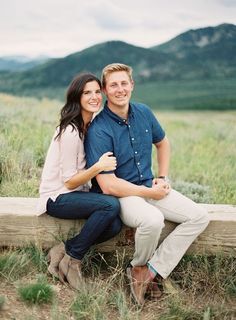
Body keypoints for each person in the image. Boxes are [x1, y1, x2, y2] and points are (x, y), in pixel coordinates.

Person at [85, 63, 210, 306]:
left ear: (132, 85)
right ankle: (138, 265)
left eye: (124, 83)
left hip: (149, 186)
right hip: (122, 195)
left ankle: (152, 270)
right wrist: (148, 191)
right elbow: (109, 185)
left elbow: (162, 143)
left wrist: (162, 178)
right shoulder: (99, 129)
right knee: (152, 220)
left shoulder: (144, 112)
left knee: (199, 217)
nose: (120, 89)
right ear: (104, 90)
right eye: (113, 85)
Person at [37, 73, 122, 290]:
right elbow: (69, 182)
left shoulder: (87, 126)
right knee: (110, 205)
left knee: (114, 224)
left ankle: (63, 249)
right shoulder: (71, 131)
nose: (94, 97)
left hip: (73, 194)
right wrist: (98, 167)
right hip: (56, 197)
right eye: (87, 93)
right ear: (77, 97)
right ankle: (72, 262)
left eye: (96, 91)